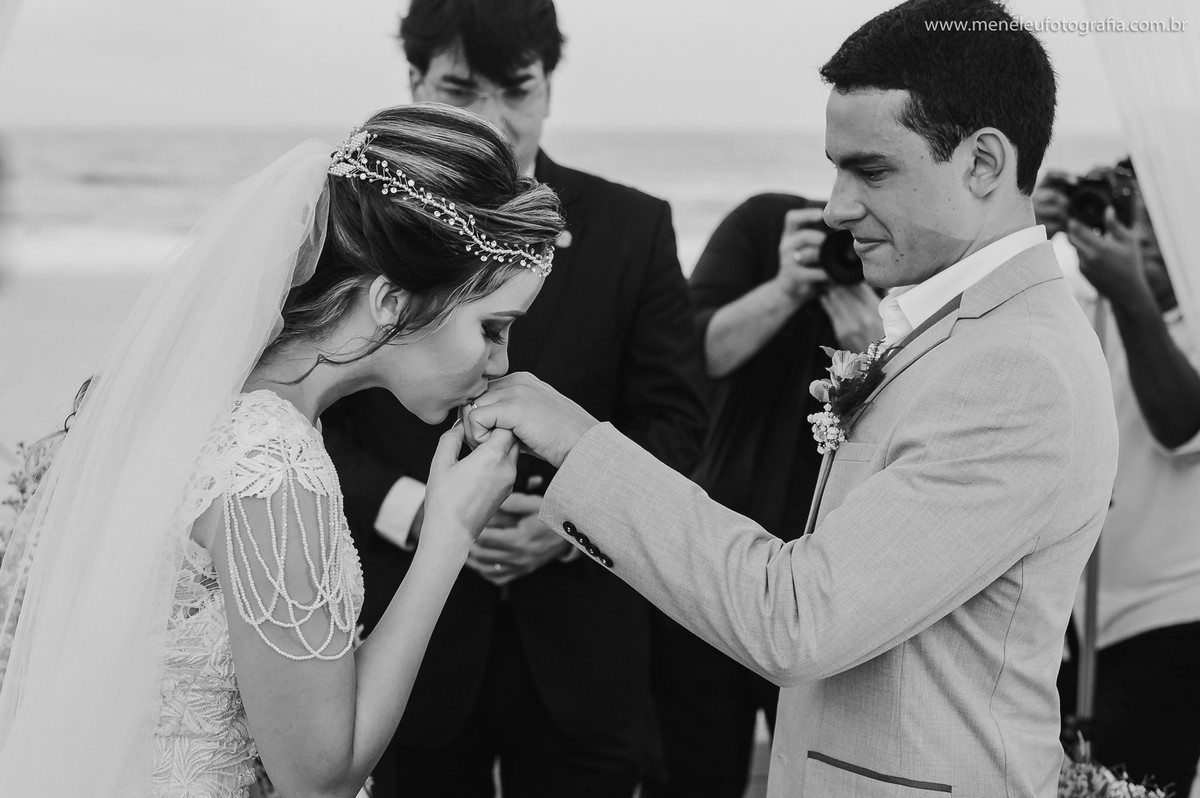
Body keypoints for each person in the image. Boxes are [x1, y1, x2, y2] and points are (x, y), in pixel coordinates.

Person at [465, 0, 1121, 795]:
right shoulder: (968, 331)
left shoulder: (1017, 367)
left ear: (983, 163)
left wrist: (577, 439)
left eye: (870, 169)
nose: (838, 206)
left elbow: (799, 618)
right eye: (835, 167)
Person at [0, 103, 564, 797]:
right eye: (492, 328)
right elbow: (318, 777)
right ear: (391, 300)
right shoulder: (271, 461)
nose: (502, 365)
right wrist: (447, 535)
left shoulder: (190, 399)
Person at [321, 1, 708, 796]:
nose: (493, 123)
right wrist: (422, 512)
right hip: (404, 649)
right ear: (414, 83)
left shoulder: (635, 227)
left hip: (584, 647)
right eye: (461, 91)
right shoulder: (356, 230)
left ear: (550, 87)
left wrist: (576, 522)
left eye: (517, 90)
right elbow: (308, 420)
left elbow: (679, 424)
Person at [647, 194, 881, 798]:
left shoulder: (902, 260)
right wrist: (784, 289)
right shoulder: (765, 223)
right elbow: (688, 356)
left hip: (830, 591)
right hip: (712, 570)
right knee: (692, 775)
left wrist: (874, 348)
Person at [1036, 169, 1200, 794]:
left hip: (1172, 618)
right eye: (1135, 213)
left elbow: (1181, 425)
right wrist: (1024, 237)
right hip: (1074, 618)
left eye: (1166, 217)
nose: (1148, 236)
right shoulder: (1082, 313)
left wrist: (1130, 294)